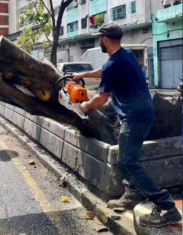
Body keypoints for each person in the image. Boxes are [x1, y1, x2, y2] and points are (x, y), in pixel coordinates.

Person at [72, 23, 182, 228]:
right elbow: (105, 71)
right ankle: (132, 194)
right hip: (142, 112)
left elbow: (102, 99)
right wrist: (82, 76)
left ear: (104, 39)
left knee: (126, 162)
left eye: (99, 38)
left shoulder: (114, 64)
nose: (99, 41)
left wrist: (85, 105)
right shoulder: (126, 55)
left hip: (134, 117)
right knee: (129, 159)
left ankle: (167, 207)